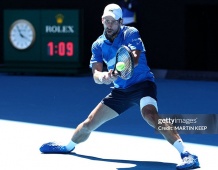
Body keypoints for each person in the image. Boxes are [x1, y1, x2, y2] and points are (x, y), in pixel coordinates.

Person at [39, 3, 200, 170]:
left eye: (113, 21)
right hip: (120, 91)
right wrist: (104, 77)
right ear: (102, 20)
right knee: (88, 124)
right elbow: (96, 74)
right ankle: (67, 146)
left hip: (142, 85)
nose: (109, 25)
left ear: (120, 21)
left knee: (150, 115)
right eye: (106, 21)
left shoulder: (130, 33)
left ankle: (187, 154)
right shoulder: (98, 45)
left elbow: (135, 58)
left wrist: (119, 68)